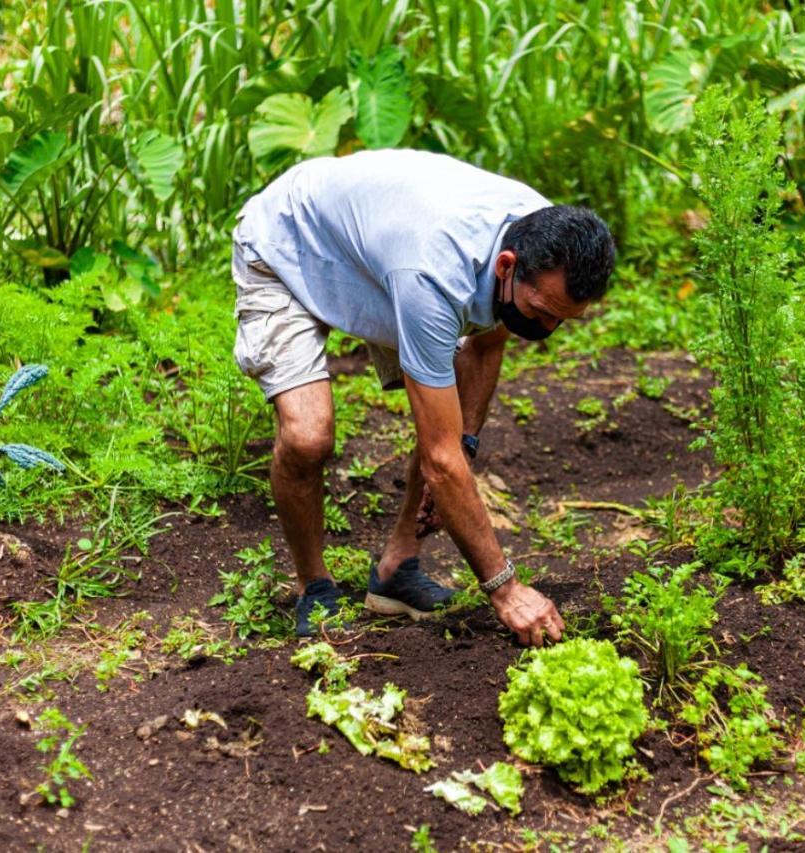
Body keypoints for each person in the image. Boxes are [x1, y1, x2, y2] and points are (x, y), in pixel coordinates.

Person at [230, 149, 616, 646]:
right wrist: (505, 589)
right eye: (541, 312)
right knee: (308, 436)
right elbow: (439, 458)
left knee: (448, 436)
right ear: (506, 266)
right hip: (289, 242)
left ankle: (397, 569)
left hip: (377, 255)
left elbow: (487, 339)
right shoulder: (435, 273)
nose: (546, 329)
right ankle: (314, 585)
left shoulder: (544, 235)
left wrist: (467, 446)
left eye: (563, 319)